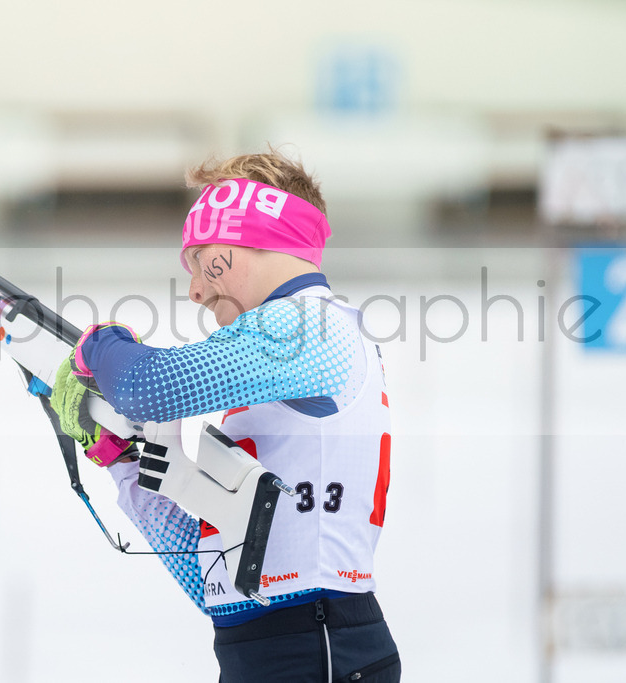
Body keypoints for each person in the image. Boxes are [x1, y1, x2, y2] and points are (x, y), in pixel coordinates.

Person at [50, 149, 400, 682]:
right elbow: (218, 582)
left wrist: (100, 343)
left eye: (198, 257)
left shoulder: (311, 328)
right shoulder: (279, 364)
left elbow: (151, 386)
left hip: (314, 650)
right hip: (277, 652)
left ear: (247, 238)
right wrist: (125, 465)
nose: (193, 288)